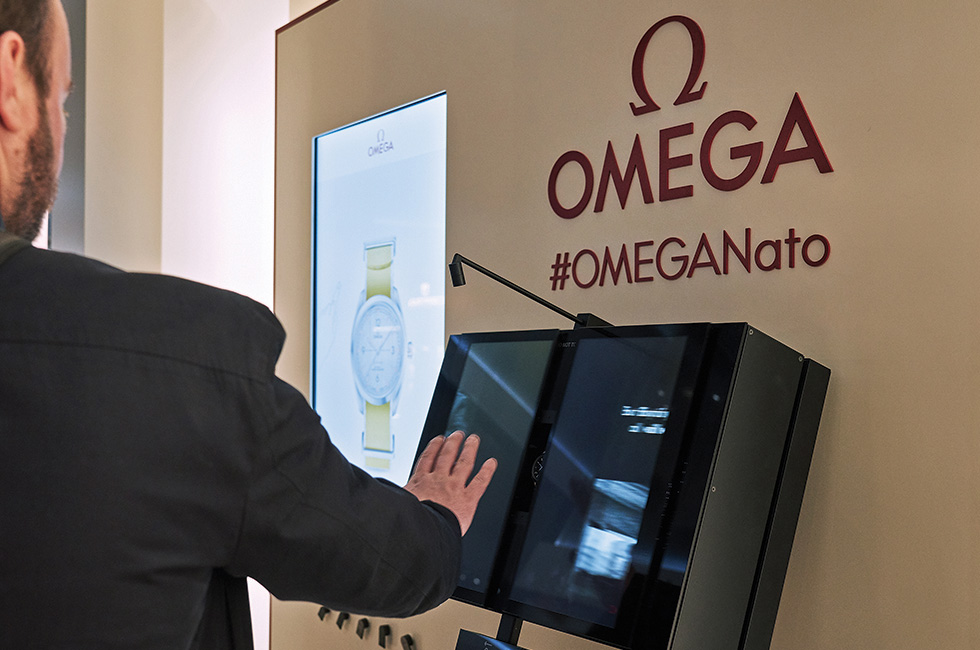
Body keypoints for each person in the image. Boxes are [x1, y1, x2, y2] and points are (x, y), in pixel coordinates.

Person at [0, 1, 497, 647]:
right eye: (62, 99)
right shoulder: (180, 356)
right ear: (10, 78)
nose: (63, 129)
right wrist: (434, 520)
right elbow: (388, 563)